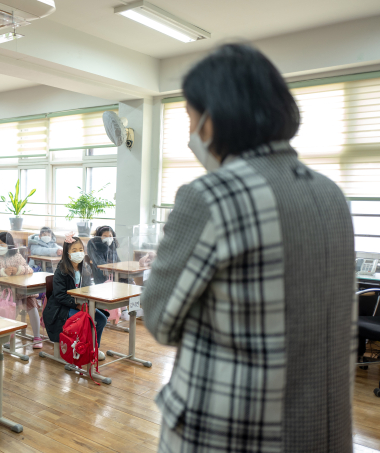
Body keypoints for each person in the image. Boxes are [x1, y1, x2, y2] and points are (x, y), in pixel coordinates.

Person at [141, 44, 355, 453]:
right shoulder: (331, 195)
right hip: (320, 430)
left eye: (189, 117)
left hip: (233, 429)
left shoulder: (211, 196)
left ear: (214, 116)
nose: (191, 134)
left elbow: (159, 320)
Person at [42, 232, 107, 360]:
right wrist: (77, 305)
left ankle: (94, 348)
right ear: (67, 252)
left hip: (80, 305)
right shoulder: (61, 270)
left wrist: (89, 302)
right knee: (87, 321)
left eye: (81, 250)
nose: (79, 253)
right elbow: (60, 295)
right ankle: (82, 348)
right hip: (61, 308)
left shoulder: (85, 268)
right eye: (74, 250)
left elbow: (88, 289)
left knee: (101, 319)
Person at [0, 232, 43, 348]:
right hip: (3, 293)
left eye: (3, 244)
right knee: (11, 306)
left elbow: (29, 269)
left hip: (20, 291)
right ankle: (6, 337)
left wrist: (18, 270)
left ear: (10, 245)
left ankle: (37, 336)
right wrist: (2, 273)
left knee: (32, 305)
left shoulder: (16, 255)